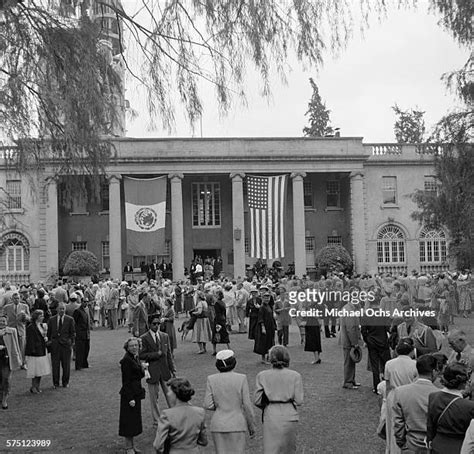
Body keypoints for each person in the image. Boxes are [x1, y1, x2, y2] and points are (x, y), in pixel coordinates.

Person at [254, 346, 304, 454]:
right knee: (289, 449)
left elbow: (257, 400)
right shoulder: (295, 376)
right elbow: (299, 401)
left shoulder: (262, 376)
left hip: (271, 413)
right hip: (290, 414)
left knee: (271, 449)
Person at [204, 350, 255, 453]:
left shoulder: (211, 379)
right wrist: (251, 425)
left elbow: (208, 404)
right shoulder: (241, 378)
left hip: (218, 423)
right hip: (236, 423)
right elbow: (247, 405)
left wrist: (219, 405)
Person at [392, 354, 439, 453]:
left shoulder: (400, 392)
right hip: (432, 445)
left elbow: (398, 423)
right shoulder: (439, 394)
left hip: (411, 444)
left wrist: (401, 443)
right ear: (434, 372)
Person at [427, 363, 474, 454]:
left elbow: (430, 426)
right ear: (464, 383)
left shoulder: (433, 396)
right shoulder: (469, 406)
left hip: (437, 445)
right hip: (459, 447)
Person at [139, 314, 176, 427]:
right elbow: (141, 355)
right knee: (154, 398)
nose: (157, 326)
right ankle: (156, 420)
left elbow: (169, 354)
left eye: (158, 323)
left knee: (170, 395)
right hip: (152, 371)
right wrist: (156, 354)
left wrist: (173, 369)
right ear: (149, 324)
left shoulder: (164, 336)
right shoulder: (144, 338)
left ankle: (174, 417)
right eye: (154, 324)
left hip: (165, 370)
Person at [154, 377, 208, 453]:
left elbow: (158, 445)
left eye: (169, 391)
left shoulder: (167, 415)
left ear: (175, 394)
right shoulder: (200, 412)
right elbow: (204, 441)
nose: (167, 393)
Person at [385, 338, 418, 454]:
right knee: (409, 424)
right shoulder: (415, 364)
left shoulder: (389, 364)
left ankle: (392, 449)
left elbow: (388, 385)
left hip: (393, 395)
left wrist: (386, 400)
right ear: (411, 352)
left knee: (393, 424)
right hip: (409, 396)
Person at [119, 337, 147, 454]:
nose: (134, 347)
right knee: (128, 421)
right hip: (129, 394)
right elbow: (126, 381)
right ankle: (128, 447)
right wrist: (130, 398)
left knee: (134, 420)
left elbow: (138, 375)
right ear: (127, 347)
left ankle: (132, 446)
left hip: (136, 392)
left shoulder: (135, 358)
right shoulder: (126, 360)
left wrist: (143, 368)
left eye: (136, 345)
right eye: (132, 346)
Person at [47, 302, 75, 388]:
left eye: (63, 309)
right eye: (60, 308)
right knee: (55, 366)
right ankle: (55, 383)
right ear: (57, 309)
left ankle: (65, 382)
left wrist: (70, 342)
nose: (61, 310)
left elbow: (72, 333)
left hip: (66, 346)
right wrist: (51, 343)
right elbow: (49, 333)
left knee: (66, 365)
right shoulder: (52, 320)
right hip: (55, 346)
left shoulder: (70, 319)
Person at [25, 309, 51, 394]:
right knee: (35, 371)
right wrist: (33, 350)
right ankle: (33, 386)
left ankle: (37, 386)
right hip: (35, 352)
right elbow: (30, 340)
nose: (43, 317)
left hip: (42, 350)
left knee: (40, 370)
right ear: (36, 317)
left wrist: (45, 339)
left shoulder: (42, 325)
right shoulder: (31, 327)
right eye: (41, 316)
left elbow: (43, 336)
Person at [2, 291, 30, 367]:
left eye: (18, 298)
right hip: (11, 330)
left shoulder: (25, 306)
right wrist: (5, 321)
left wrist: (25, 317)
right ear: (12, 299)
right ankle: (13, 363)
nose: (16, 300)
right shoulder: (6, 307)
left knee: (22, 347)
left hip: (21, 329)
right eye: (15, 298)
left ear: (20, 298)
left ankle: (23, 363)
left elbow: (29, 318)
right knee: (11, 347)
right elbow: (3, 317)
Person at [0, 314, 22, 409]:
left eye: (3, 321)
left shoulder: (12, 331)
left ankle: (4, 400)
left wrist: (19, 359)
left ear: (7, 322)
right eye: (0, 321)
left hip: (6, 359)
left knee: (6, 379)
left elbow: (16, 346)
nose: (1, 323)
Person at [339, 296, 362, 389]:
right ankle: (348, 381)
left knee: (351, 361)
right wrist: (354, 342)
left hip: (348, 340)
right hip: (348, 341)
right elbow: (350, 328)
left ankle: (351, 379)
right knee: (349, 361)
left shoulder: (349, 308)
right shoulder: (349, 310)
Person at [253, 291, 276, 364]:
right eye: (265, 298)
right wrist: (263, 327)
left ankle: (269, 357)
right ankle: (263, 359)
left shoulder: (269, 306)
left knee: (270, 341)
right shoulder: (262, 307)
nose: (267, 299)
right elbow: (260, 318)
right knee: (264, 342)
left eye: (268, 298)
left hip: (270, 326)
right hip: (264, 326)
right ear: (262, 298)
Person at [73, 295, 91, 370]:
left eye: (87, 302)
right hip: (80, 333)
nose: (85, 303)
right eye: (84, 302)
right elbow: (74, 322)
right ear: (81, 302)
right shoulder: (77, 311)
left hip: (86, 333)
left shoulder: (86, 310)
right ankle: (78, 365)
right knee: (80, 350)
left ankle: (84, 364)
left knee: (86, 349)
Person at [211, 290, 230, 356]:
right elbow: (224, 312)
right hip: (223, 319)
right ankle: (229, 348)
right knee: (224, 334)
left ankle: (214, 350)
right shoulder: (222, 302)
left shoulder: (217, 303)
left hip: (218, 320)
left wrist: (216, 321)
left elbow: (217, 313)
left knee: (215, 334)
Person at [304, 301, 321, 365]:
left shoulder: (312, 307)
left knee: (313, 341)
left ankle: (316, 358)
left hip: (312, 324)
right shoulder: (317, 306)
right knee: (316, 340)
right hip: (314, 324)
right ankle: (317, 357)